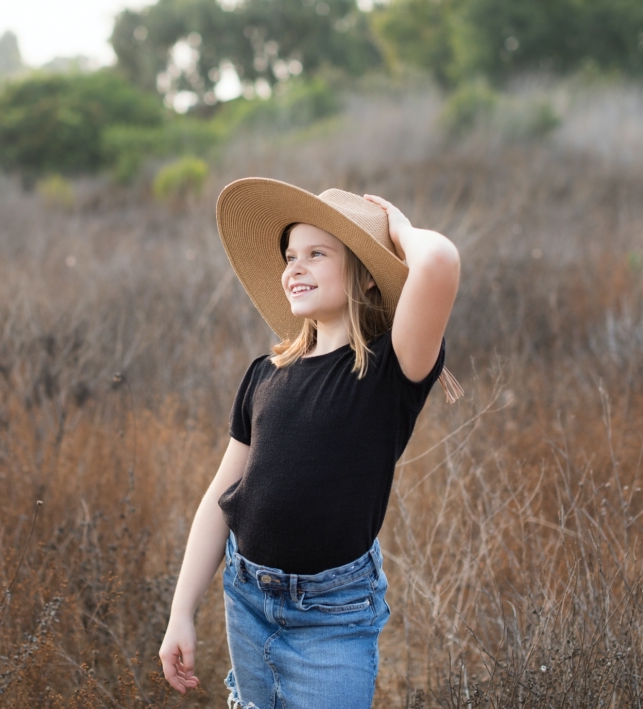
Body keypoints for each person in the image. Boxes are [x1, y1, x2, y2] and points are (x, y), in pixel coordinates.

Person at [158, 177, 461, 708]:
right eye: (290, 255)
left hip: (333, 615)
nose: (294, 266)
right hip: (248, 599)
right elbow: (221, 498)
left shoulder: (390, 369)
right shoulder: (266, 374)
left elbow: (437, 262)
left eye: (317, 254)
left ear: (366, 278)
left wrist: (401, 230)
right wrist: (181, 611)